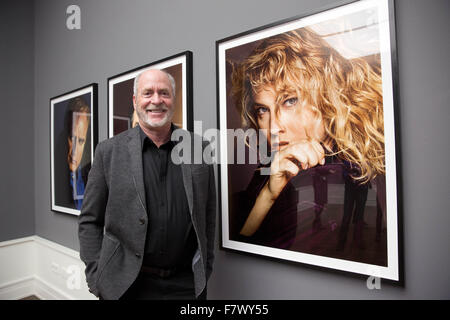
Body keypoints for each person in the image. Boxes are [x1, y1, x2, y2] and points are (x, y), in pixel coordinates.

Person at [230, 27, 385, 248]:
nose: (274, 128)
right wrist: (267, 196)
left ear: (328, 98)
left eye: (290, 101)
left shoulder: (358, 167)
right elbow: (241, 251)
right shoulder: (268, 168)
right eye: (262, 110)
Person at [78, 69, 216, 300]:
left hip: (186, 284)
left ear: (174, 99)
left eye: (164, 93)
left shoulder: (198, 148)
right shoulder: (109, 151)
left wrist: (206, 264)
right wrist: (96, 277)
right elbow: (90, 221)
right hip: (128, 285)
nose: (156, 100)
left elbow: (208, 214)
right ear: (135, 101)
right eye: (147, 93)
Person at [54, 97, 91, 210]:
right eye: (71, 138)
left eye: (80, 141)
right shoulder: (57, 172)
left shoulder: (89, 173)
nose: (74, 150)